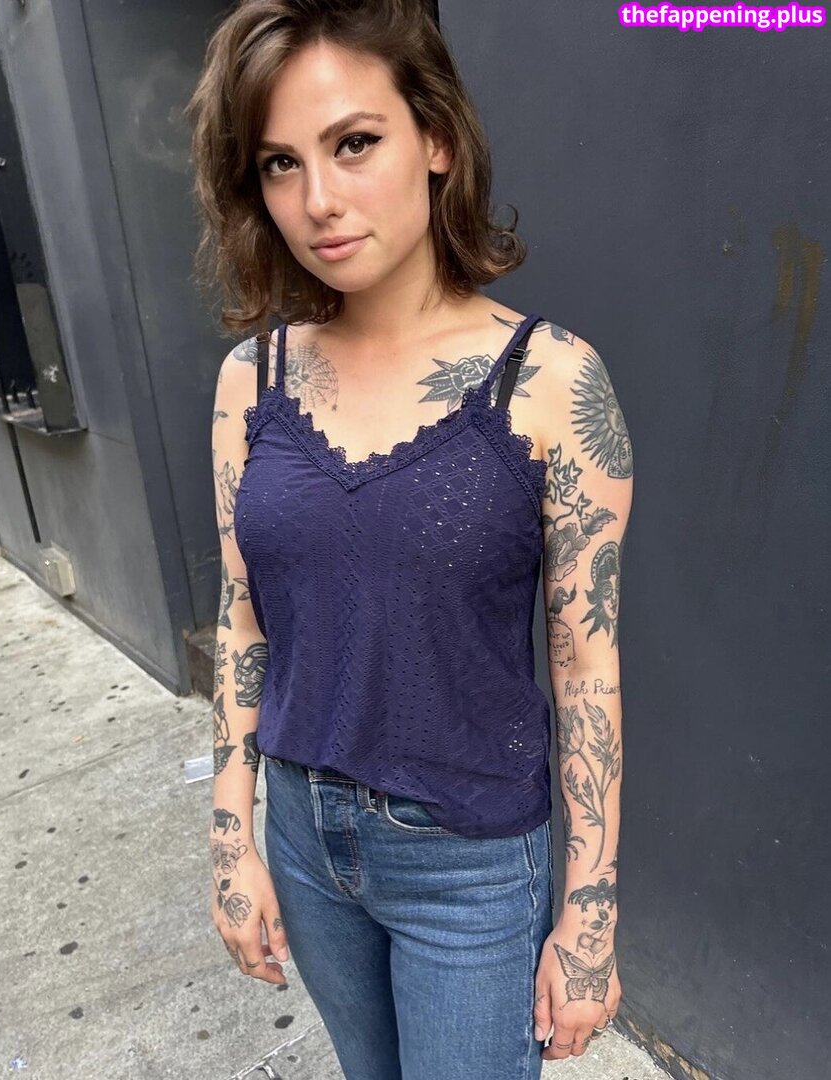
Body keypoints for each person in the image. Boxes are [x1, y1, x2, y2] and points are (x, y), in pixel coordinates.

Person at [188, 2, 632, 1076]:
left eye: (353, 143)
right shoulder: (252, 381)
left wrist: (589, 913)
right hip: (303, 834)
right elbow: (243, 621)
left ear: (434, 138)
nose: (317, 200)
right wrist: (231, 841)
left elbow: (585, 665)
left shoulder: (550, 382)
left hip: (469, 860)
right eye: (280, 164)